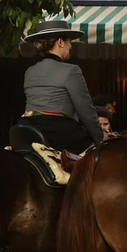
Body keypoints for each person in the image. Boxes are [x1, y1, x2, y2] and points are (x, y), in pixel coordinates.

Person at [20, 18, 103, 153]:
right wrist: (100, 138)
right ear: (60, 42)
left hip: (26, 128)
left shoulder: (30, 71)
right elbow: (86, 111)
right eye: (69, 42)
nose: (71, 46)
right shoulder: (71, 70)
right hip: (56, 132)